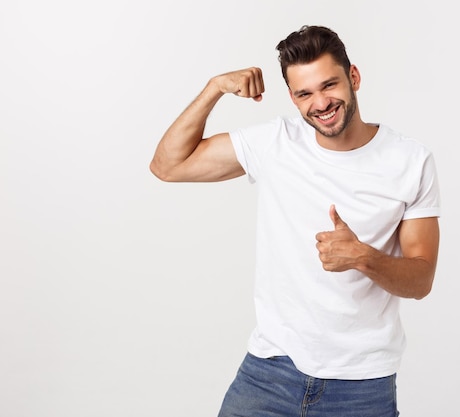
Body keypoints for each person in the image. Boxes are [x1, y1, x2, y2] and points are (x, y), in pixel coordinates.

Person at [150, 25, 441, 417]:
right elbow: (168, 165)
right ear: (292, 97)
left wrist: (362, 257)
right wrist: (215, 87)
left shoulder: (410, 161)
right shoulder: (275, 143)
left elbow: (421, 280)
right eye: (304, 94)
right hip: (269, 371)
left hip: (362, 383)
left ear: (353, 77)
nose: (320, 103)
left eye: (329, 85)